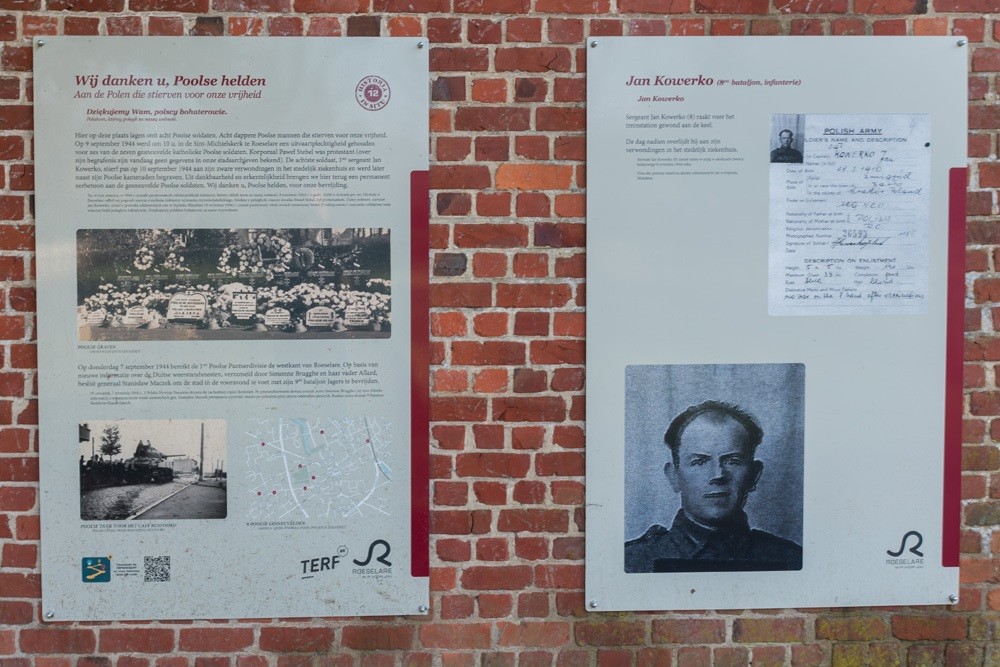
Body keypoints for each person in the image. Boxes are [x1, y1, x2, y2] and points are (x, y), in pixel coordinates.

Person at [624, 400, 802, 573]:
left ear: (754, 475)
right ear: (674, 476)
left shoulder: (790, 560)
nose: (718, 475)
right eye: (699, 462)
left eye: (733, 461)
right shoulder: (633, 561)